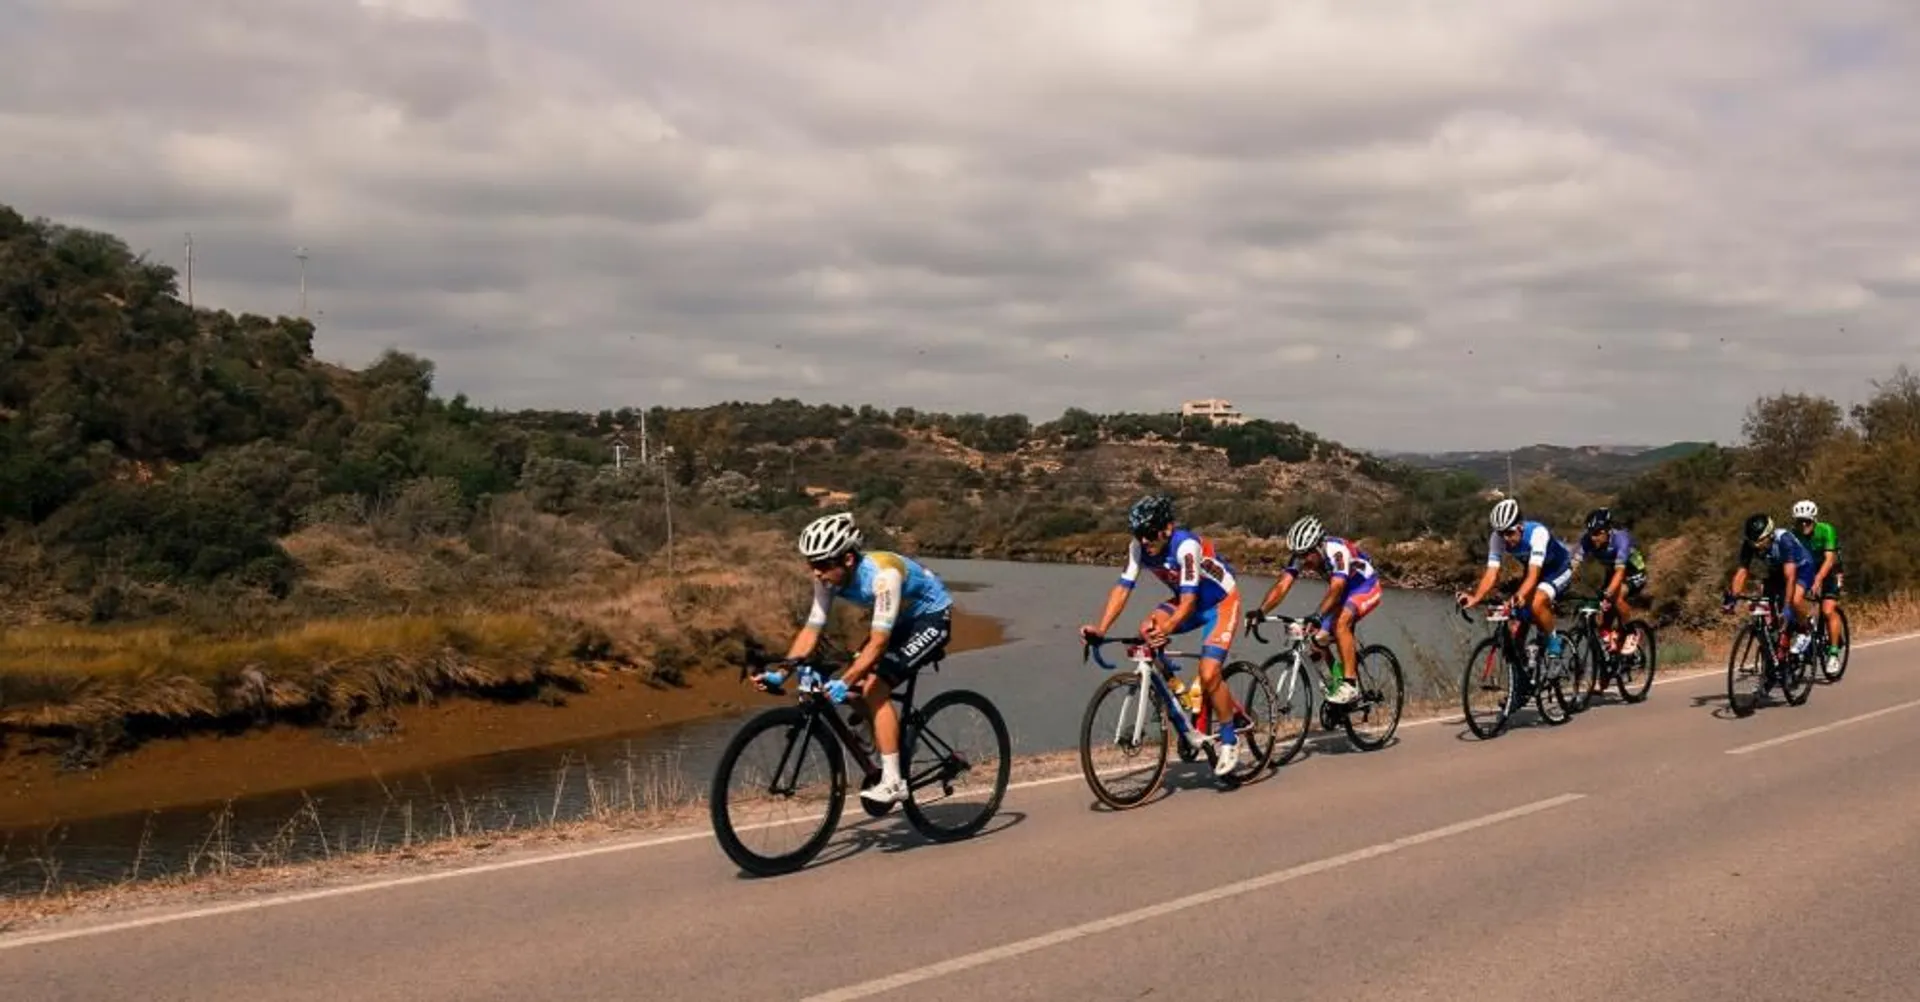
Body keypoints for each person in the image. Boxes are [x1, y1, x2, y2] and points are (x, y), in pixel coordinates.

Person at [762, 511, 954, 806]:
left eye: (822, 564)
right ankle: (891, 740)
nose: (816, 572)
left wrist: (847, 679)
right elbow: (812, 629)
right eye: (811, 564)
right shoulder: (827, 579)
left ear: (847, 559)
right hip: (900, 618)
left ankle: (894, 782)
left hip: (930, 616)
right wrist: (783, 672)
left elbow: (878, 643)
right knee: (853, 686)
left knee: (874, 687)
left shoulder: (883, 576)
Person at [1080, 494, 1245, 776]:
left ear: (1167, 528)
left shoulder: (1186, 545)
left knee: (1208, 672)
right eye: (1138, 534)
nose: (1144, 541)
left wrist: (1166, 630)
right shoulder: (1138, 547)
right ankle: (1178, 692)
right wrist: (1101, 628)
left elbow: (1190, 601)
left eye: (1148, 533)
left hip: (1220, 604)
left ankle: (1230, 738)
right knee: (1146, 629)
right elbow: (1122, 589)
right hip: (1186, 600)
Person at [1248, 514, 1382, 706]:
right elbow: (1282, 586)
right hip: (1343, 592)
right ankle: (1335, 684)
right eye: (1299, 555)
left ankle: (1350, 685)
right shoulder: (1301, 557)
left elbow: (1336, 588)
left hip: (1364, 586)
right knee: (1316, 640)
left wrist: (1318, 615)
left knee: (1342, 622)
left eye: (1306, 554)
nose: (1303, 560)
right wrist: (1261, 611)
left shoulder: (1337, 551)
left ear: (1319, 546)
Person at [1455, 497, 1575, 666]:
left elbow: (1533, 575)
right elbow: (1491, 573)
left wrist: (1518, 595)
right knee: (1516, 624)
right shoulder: (1497, 538)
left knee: (1537, 602)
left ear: (1520, 526)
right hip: (1534, 573)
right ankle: (1522, 679)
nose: (1505, 538)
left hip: (1558, 570)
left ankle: (1554, 646)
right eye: (1501, 533)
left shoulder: (1537, 534)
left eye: (1509, 533)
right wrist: (1476, 597)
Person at [1723, 512, 1818, 654]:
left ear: (1770, 535)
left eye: (1760, 541)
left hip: (1801, 567)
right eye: (1752, 542)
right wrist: (1732, 598)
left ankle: (1806, 630)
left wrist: (1786, 607)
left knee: (1795, 600)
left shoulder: (1784, 540)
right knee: (1766, 600)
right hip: (1779, 568)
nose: (1756, 546)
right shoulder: (1750, 544)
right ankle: (1777, 643)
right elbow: (1742, 572)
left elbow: (1790, 577)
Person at [1575, 507, 1649, 658]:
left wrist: (1608, 594)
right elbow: (1573, 564)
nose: (1593, 538)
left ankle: (1631, 633)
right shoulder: (1587, 541)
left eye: (1597, 533)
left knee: (1615, 597)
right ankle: (1612, 651)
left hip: (1633, 573)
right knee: (1603, 616)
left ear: (1607, 530)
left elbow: (1621, 572)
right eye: (1590, 534)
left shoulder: (1621, 539)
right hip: (1613, 574)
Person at [1789, 499, 1846, 673]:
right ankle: (1807, 629)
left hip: (1831, 570)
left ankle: (1834, 653)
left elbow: (1829, 560)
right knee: (1794, 602)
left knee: (1828, 610)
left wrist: (1819, 579)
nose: (1804, 525)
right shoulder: (1793, 535)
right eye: (1800, 521)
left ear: (1814, 520)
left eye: (1807, 521)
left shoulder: (1826, 530)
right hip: (1809, 569)